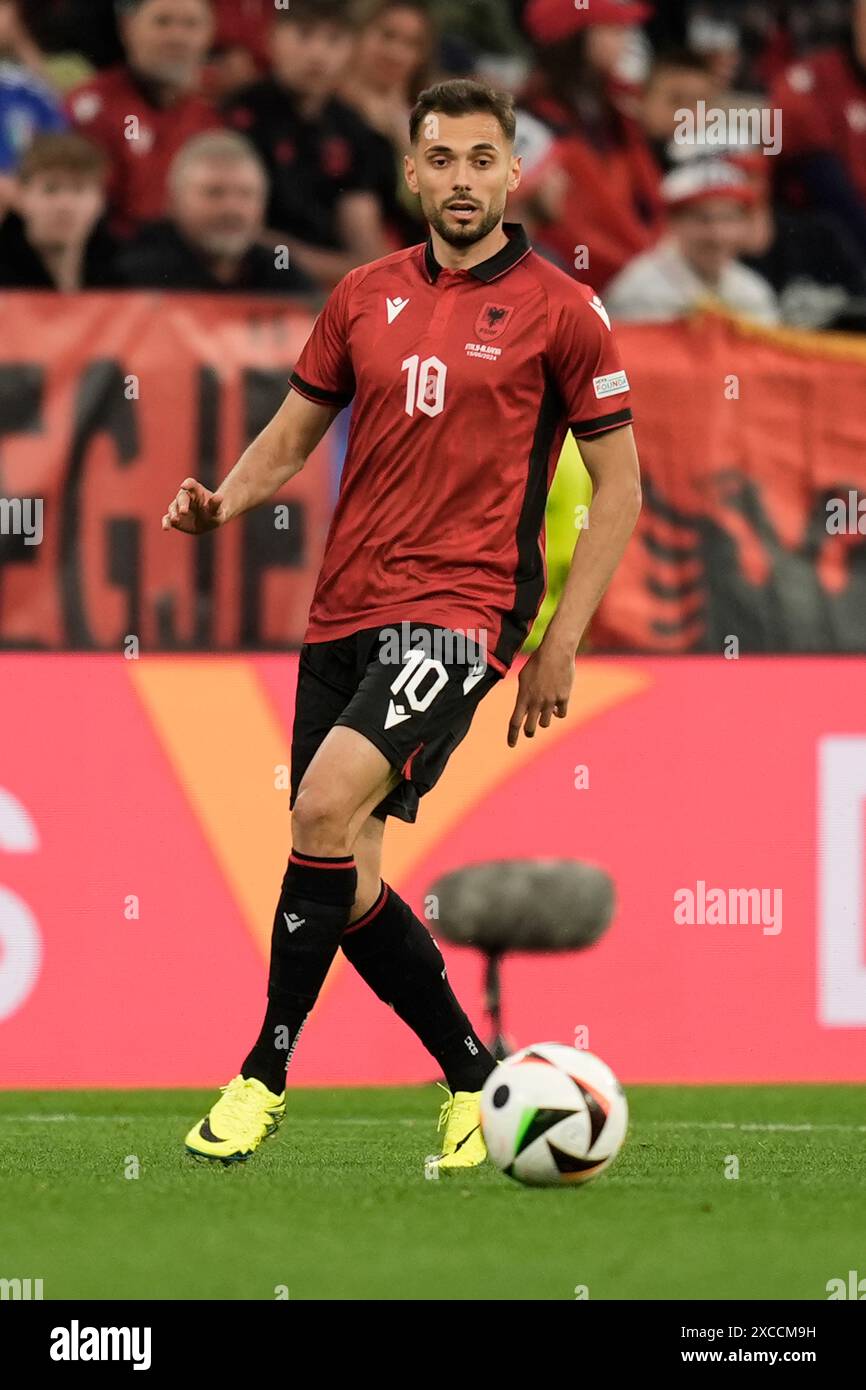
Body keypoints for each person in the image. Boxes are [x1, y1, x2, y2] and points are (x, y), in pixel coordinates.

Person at [162, 78, 642, 1174]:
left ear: (512, 172)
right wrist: (221, 501)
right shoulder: (359, 294)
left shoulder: (563, 310)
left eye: (483, 159)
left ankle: (261, 1075)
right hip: (343, 608)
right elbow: (292, 434)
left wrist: (557, 642)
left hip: (462, 610)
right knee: (347, 869)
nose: (461, 179)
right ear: (412, 172)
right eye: (441, 159)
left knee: (321, 802)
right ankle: (475, 1077)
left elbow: (618, 486)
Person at [224, 0, 391, 289]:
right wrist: (346, 270)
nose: (318, 54)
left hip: (332, 293)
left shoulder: (353, 128)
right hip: (250, 284)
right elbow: (234, 230)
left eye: (333, 40)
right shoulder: (240, 116)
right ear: (272, 39)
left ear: (351, 49)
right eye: (304, 35)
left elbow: (365, 245)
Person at [520, 0, 665, 291]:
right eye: (612, 29)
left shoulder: (617, 112)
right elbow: (573, 229)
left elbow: (652, 199)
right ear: (573, 38)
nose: (626, 39)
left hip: (637, 270)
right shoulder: (535, 124)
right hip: (577, 282)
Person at [66, 0, 220, 238]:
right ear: (127, 28)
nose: (177, 37)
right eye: (162, 22)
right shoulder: (91, 110)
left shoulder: (214, 116)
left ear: (209, 34)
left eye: (191, 24)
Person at [116, 130, 313, 294]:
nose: (232, 209)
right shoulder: (133, 277)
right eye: (214, 193)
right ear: (173, 203)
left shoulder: (280, 275)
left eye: (246, 194)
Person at [604, 160, 779, 325]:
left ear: (744, 224)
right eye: (703, 219)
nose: (717, 235)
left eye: (728, 219)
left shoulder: (753, 292)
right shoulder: (639, 292)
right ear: (672, 222)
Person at [0, 130, 117, 288]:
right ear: (21, 197)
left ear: (100, 201)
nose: (65, 205)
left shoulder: (125, 274)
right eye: (51, 189)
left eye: (79, 189)